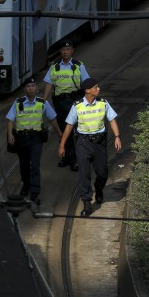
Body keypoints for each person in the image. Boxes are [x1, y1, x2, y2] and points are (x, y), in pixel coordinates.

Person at [58, 77, 121, 217]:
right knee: (84, 174)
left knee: (102, 172)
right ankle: (87, 202)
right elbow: (69, 126)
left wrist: (117, 137)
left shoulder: (103, 103)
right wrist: (62, 145)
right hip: (83, 143)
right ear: (87, 90)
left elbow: (112, 119)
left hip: (99, 143)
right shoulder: (77, 106)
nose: (98, 89)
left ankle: (99, 188)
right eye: (95, 87)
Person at [5, 78, 63, 209]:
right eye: (28, 86)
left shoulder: (42, 103)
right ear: (25, 89)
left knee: (35, 165)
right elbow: (10, 120)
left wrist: (60, 134)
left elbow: (53, 119)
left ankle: (35, 192)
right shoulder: (18, 102)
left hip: (36, 139)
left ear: (37, 88)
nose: (31, 88)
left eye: (33, 86)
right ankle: (26, 184)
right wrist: (10, 134)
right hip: (21, 138)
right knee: (24, 165)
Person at [43, 38, 90, 169]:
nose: (65, 52)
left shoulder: (78, 65)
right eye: (63, 49)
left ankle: (74, 159)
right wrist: (44, 101)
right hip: (60, 103)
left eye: (68, 49)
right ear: (60, 51)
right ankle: (66, 157)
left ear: (72, 50)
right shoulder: (54, 66)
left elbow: (87, 84)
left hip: (74, 101)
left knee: (73, 130)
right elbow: (48, 84)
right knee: (64, 130)